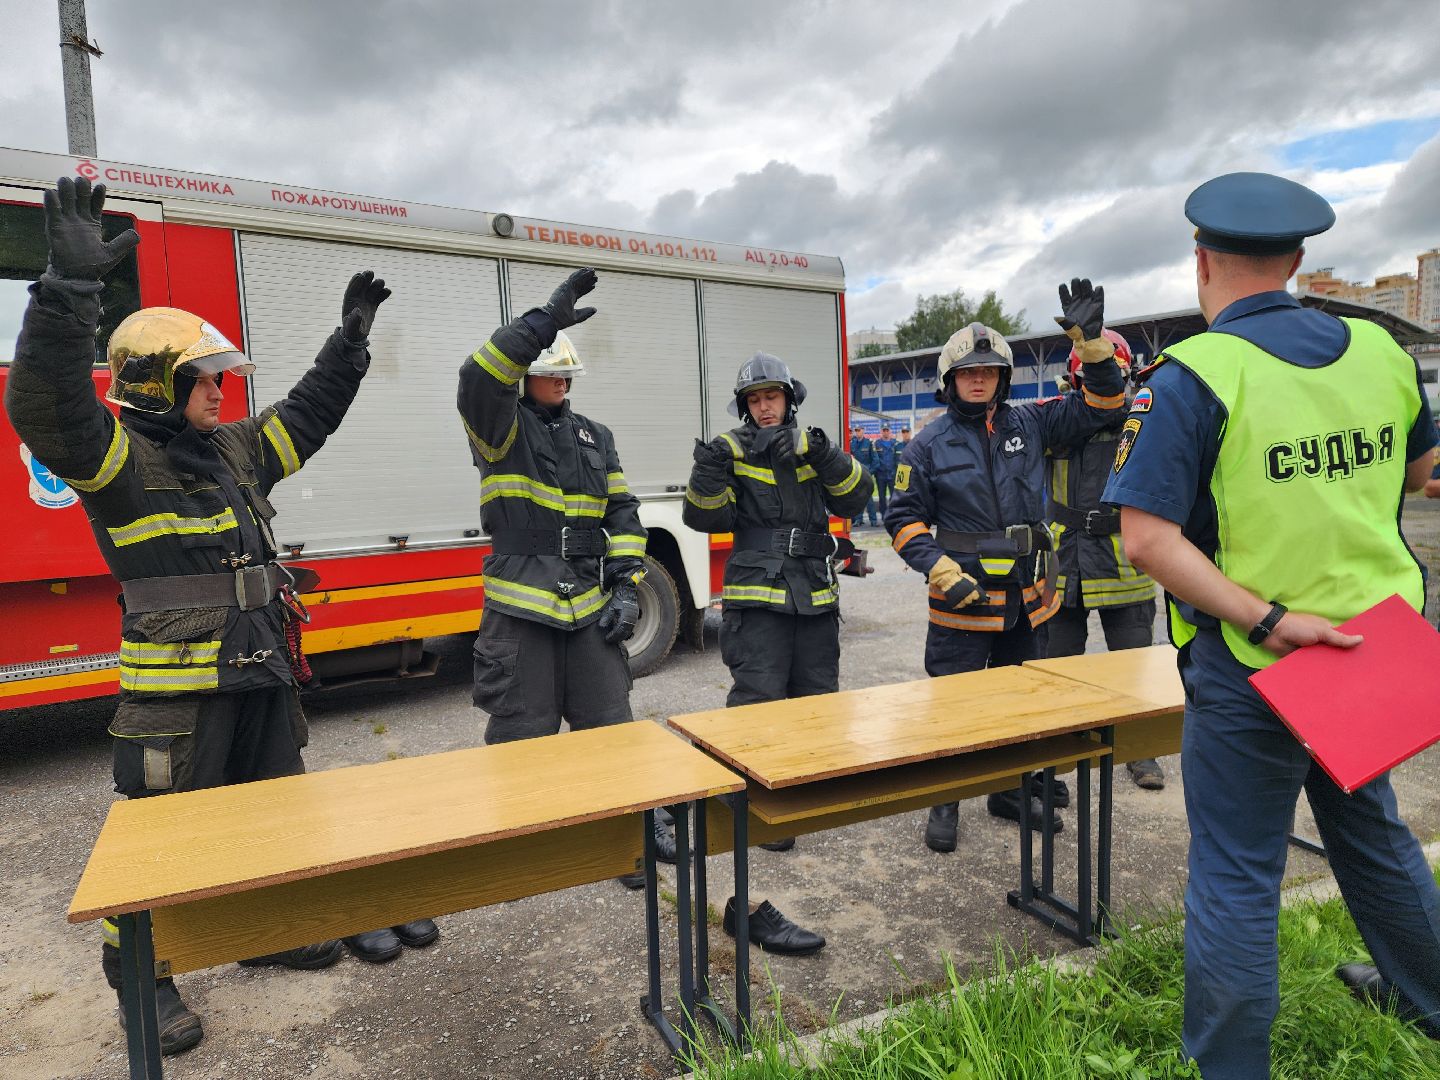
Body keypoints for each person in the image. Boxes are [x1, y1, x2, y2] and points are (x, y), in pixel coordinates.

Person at [4, 177, 437, 1056]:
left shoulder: (231, 449)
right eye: (207, 378)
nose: (221, 391)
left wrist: (347, 346)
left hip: (258, 673)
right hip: (177, 697)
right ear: (163, 382)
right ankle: (141, 977)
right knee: (158, 843)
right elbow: (43, 401)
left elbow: (306, 418)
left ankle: (268, 934)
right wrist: (68, 291)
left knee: (270, 818)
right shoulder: (114, 457)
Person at [1103, 171, 1440, 1078]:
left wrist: (1272, 617)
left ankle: (1230, 1067)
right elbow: (1417, 476)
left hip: (1257, 659)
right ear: (1297, 261)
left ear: (1201, 261)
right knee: (1373, 836)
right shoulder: (1381, 354)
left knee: (1237, 875)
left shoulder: (1193, 375)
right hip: (1371, 651)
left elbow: (1145, 540)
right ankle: (1431, 1001)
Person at [885, 285, 1126, 855]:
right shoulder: (925, 447)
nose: (979, 380)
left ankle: (1014, 793)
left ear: (1003, 378)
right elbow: (902, 521)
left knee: (1023, 707)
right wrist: (942, 571)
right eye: (969, 372)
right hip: (964, 604)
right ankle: (945, 800)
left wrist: (1092, 349)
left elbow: (1105, 406)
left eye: (989, 372)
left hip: (1029, 599)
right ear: (950, 380)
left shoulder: (1033, 424)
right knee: (954, 710)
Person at [456, 268, 652, 882]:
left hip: (589, 602)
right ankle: (521, 847)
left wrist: (626, 584)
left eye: (566, 372)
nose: (560, 380)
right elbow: (477, 376)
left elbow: (622, 510)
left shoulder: (597, 436)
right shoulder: (498, 427)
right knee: (522, 733)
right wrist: (545, 319)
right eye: (549, 370)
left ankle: (624, 842)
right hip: (522, 611)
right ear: (528, 375)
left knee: (610, 728)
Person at [684, 353, 871, 955]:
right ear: (746, 405)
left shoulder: (814, 447)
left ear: (791, 398)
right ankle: (751, 812)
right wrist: (708, 474)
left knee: (816, 705)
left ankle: (794, 804)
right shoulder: (730, 449)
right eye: (756, 398)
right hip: (757, 602)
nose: (767, 406)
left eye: (775, 396)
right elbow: (701, 515)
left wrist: (827, 456)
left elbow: (855, 500)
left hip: (814, 597)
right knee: (758, 708)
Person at [1045, 331, 1165, 790]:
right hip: (1066, 559)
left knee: (1133, 665)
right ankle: (1054, 749)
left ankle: (1141, 751)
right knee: (1057, 668)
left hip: (1123, 560)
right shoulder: (1057, 417)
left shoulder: (1143, 417)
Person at [848, 422, 878, 526]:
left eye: (859, 430)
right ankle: (858, 519)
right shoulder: (852, 444)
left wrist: (870, 472)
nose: (857, 432)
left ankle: (873, 520)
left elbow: (875, 460)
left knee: (869, 499)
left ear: (863, 431)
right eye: (855, 431)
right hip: (857, 475)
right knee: (857, 498)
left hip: (867, 475)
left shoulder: (869, 443)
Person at [872, 424, 899, 518]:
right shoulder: (877, 444)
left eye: (887, 430)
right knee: (882, 497)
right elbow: (874, 458)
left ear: (890, 431)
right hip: (881, 475)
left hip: (892, 474)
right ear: (881, 431)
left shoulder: (895, 443)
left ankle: (892, 514)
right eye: (884, 430)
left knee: (893, 497)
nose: (886, 432)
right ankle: (884, 515)